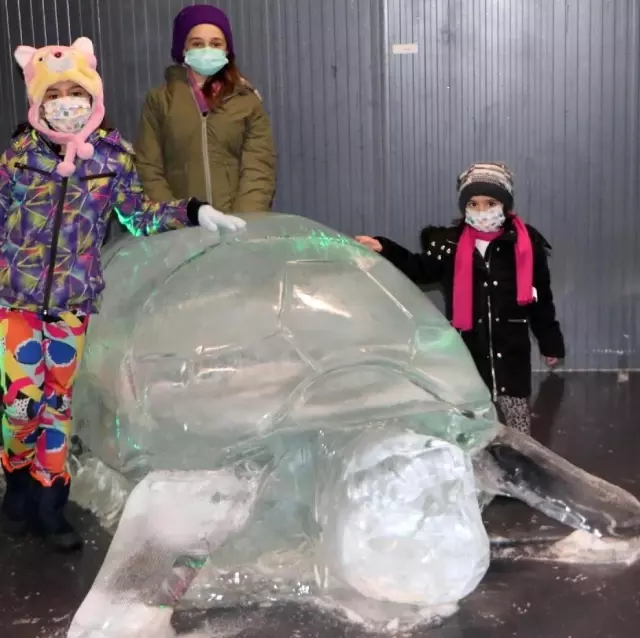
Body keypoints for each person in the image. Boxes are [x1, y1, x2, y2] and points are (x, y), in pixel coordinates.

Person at [0, 36, 245, 552]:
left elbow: (138, 216)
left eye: (76, 92)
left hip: (72, 305)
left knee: (58, 405)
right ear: (38, 102)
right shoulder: (18, 157)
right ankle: (16, 479)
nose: (66, 103)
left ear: (93, 95)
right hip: (15, 303)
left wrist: (194, 210)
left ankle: (50, 501)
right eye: (54, 95)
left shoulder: (112, 157)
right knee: (21, 405)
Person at [356, 162, 565, 435]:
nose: (482, 211)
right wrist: (386, 248)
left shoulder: (525, 247)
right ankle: (476, 469)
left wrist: (550, 342)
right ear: (464, 206)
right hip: (469, 355)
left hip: (512, 358)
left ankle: (521, 469)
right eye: (474, 203)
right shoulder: (449, 246)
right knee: (472, 424)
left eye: (490, 202)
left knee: (517, 427)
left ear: (505, 204)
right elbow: (420, 268)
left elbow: (542, 300)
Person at [135, 4, 276, 213]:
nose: (207, 50)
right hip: (182, 232)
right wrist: (178, 217)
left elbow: (259, 169)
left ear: (227, 49)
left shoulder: (247, 101)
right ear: (183, 50)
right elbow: (149, 168)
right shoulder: (159, 101)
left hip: (238, 227)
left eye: (216, 43)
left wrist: (242, 223)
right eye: (197, 44)